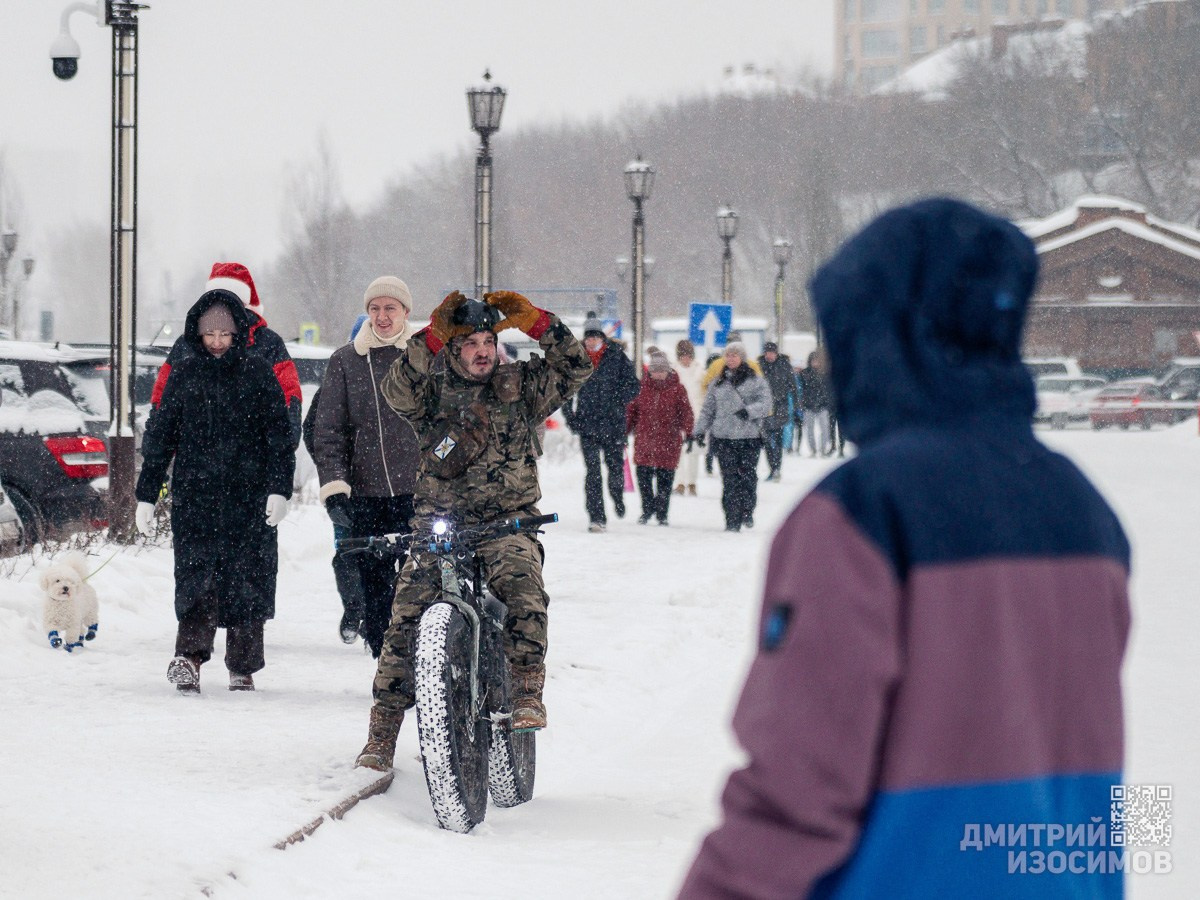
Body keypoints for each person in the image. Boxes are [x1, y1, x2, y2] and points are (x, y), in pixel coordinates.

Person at [678, 199, 1130, 897]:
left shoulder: (865, 511)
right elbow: (1095, 767)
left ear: (878, 338)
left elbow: (798, 784)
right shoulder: (1084, 509)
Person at [355, 290, 591, 771]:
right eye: (470, 342)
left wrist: (539, 324)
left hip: (508, 523)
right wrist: (432, 335)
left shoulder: (520, 386)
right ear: (454, 347)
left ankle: (526, 690)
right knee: (403, 622)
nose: (483, 351)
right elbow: (395, 390)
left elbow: (576, 367)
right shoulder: (432, 390)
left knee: (524, 588)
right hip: (441, 526)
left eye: (489, 340)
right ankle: (382, 734)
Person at [134, 287, 295, 694]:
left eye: (225, 334)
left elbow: (279, 434)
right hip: (197, 495)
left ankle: (242, 665)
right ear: (198, 333)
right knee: (196, 576)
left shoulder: (258, 371)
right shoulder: (186, 372)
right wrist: (147, 493)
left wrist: (280, 489)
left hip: (250, 496)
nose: (218, 342)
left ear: (238, 332)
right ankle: (189, 658)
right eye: (210, 335)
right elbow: (161, 433)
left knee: (248, 579)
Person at [312, 277, 420, 656]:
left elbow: (447, 424)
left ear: (406, 312)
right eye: (375, 308)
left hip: (419, 495)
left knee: (420, 581)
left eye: (390, 308)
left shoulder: (424, 356)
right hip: (367, 496)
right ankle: (384, 660)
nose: (382, 316)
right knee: (375, 587)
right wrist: (335, 488)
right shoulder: (346, 361)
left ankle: (422, 658)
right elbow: (329, 431)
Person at [149, 262, 303, 448]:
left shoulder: (268, 344)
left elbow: (289, 397)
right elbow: (164, 399)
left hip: (231, 458)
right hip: (213, 457)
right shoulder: (269, 344)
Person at [302, 314, 369, 646]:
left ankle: (379, 621)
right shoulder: (338, 377)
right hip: (346, 490)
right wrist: (333, 472)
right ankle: (355, 609)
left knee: (386, 553)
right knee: (347, 552)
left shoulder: (397, 376)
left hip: (389, 488)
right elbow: (314, 431)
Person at [562, 313, 640, 534]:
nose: (592, 341)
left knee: (615, 470)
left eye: (595, 337)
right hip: (587, 425)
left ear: (602, 339)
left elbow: (633, 386)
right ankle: (597, 517)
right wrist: (571, 418)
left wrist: (617, 401)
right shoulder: (577, 360)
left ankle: (617, 496)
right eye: (588, 338)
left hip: (613, 425)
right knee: (593, 472)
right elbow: (566, 391)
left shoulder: (617, 356)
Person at [691, 342, 771, 533]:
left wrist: (748, 411)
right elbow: (708, 409)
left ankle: (747, 510)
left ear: (742, 358)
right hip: (723, 436)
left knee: (748, 478)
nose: (731, 358)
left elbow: (766, 403)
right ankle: (731, 519)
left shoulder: (756, 381)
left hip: (748, 437)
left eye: (735, 355)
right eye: (728, 355)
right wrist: (700, 430)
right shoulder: (717, 383)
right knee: (729, 480)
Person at [625, 350, 694, 526]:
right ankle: (647, 509)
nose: (658, 374)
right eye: (655, 370)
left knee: (665, 478)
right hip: (645, 439)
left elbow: (686, 412)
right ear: (650, 371)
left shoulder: (678, 389)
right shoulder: (641, 388)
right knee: (644, 477)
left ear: (668, 371)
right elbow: (631, 411)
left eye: (662, 371)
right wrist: (623, 432)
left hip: (669, 440)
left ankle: (662, 512)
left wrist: (689, 431)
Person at [756, 340, 800, 482]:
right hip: (765, 407)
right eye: (767, 353)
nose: (769, 355)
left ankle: (777, 469)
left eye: (772, 353)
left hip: (781, 406)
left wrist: (798, 407)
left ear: (776, 353)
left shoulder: (784, 366)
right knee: (768, 440)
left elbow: (793, 387)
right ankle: (772, 468)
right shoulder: (759, 366)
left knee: (779, 439)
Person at [672, 339, 705, 496]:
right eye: (683, 356)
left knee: (694, 452)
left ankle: (692, 482)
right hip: (677, 417)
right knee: (678, 451)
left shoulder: (700, 371)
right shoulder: (673, 372)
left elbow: (705, 394)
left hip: (697, 416)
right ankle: (680, 483)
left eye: (688, 355)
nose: (686, 359)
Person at [797, 348, 834, 457]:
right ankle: (813, 449)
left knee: (825, 429)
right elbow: (801, 389)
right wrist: (802, 403)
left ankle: (823, 449)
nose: (815, 363)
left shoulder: (825, 373)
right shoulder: (804, 373)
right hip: (808, 406)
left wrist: (827, 402)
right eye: (813, 360)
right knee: (809, 430)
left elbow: (829, 389)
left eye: (817, 360)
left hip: (823, 405)